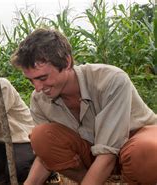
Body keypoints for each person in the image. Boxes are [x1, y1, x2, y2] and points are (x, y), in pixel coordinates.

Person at [10, 28, 157, 184]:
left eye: (43, 77)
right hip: (95, 152)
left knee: (143, 151)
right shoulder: (39, 100)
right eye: (31, 80)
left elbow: (107, 154)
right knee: (41, 138)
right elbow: (44, 155)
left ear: (66, 62)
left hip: (133, 141)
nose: (37, 87)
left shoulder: (111, 80)